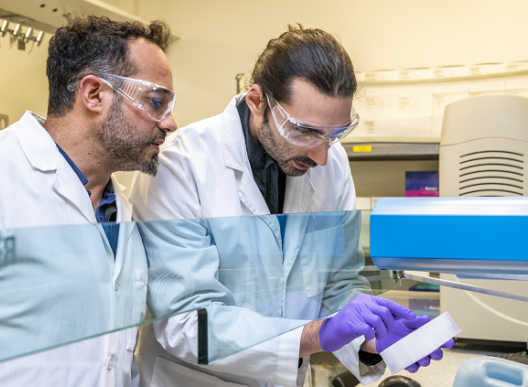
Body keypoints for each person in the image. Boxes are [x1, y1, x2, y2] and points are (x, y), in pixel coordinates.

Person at [129, 25, 452, 387]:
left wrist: (370, 338)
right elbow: (188, 323)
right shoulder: (181, 164)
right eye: (304, 131)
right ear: (256, 101)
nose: (321, 155)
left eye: (335, 133)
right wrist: (316, 335)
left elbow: (338, 282)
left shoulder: (332, 160)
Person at [0, 15, 177, 387]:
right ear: (94, 94)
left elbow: (111, 357)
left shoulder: (121, 209)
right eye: (156, 102)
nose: (170, 123)